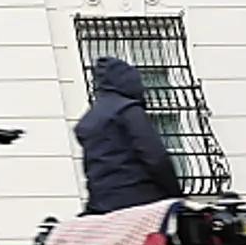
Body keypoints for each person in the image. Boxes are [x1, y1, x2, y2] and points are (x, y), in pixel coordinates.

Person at [74, 56, 183, 215]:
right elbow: (156, 158)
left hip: (102, 203)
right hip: (140, 198)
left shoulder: (90, 118)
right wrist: (176, 194)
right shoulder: (128, 110)